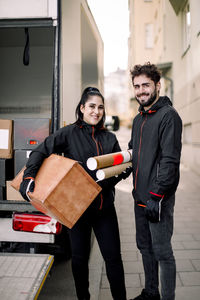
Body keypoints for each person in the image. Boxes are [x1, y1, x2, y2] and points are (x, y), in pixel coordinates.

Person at [19, 87, 131, 300]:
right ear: (81, 108)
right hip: (77, 210)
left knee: (113, 259)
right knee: (79, 260)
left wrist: (121, 172)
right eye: (91, 106)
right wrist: (28, 177)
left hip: (104, 209)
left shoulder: (110, 138)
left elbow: (116, 172)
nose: (96, 111)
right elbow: (41, 151)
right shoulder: (68, 133)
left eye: (100, 107)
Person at [128, 63, 182, 300]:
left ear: (157, 85)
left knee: (162, 252)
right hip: (139, 198)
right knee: (144, 248)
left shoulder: (169, 116)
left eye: (145, 85)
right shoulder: (138, 119)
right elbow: (135, 154)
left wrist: (157, 195)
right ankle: (151, 293)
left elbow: (170, 161)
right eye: (137, 86)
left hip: (157, 200)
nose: (141, 91)